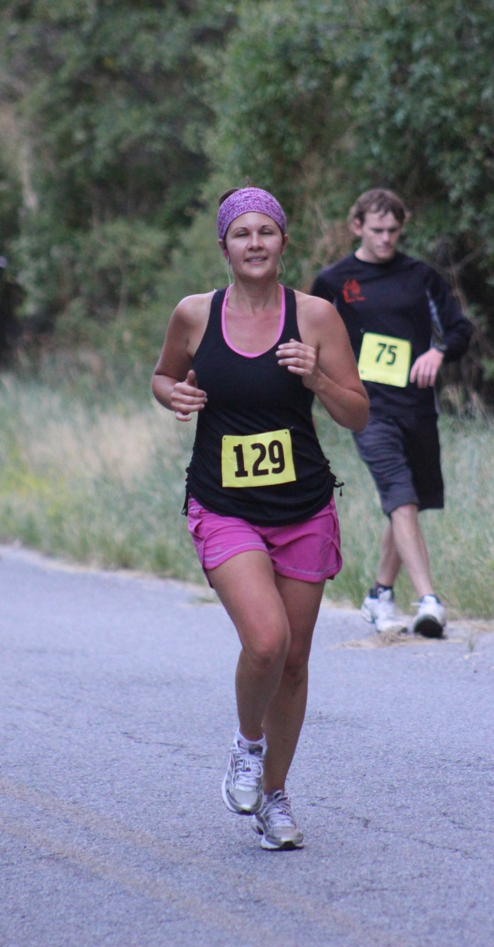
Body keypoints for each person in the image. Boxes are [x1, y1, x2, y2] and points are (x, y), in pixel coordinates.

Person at [152, 187, 368, 850]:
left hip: (302, 507)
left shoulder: (316, 317)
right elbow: (160, 377)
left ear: (282, 243)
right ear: (223, 245)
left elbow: (356, 412)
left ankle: (273, 796)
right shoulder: (194, 315)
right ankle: (248, 746)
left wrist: (317, 380)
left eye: (265, 232)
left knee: (296, 664)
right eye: (241, 233)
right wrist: (175, 394)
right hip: (224, 506)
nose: (253, 243)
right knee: (267, 641)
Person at [311, 188, 472, 637]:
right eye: (376, 230)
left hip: (418, 408)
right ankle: (429, 600)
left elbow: (460, 328)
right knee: (400, 497)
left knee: (409, 505)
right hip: (367, 409)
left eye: (393, 231)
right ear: (357, 226)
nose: (385, 239)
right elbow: (309, 340)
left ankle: (380, 594)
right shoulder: (333, 280)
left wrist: (439, 353)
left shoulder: (421, 276)